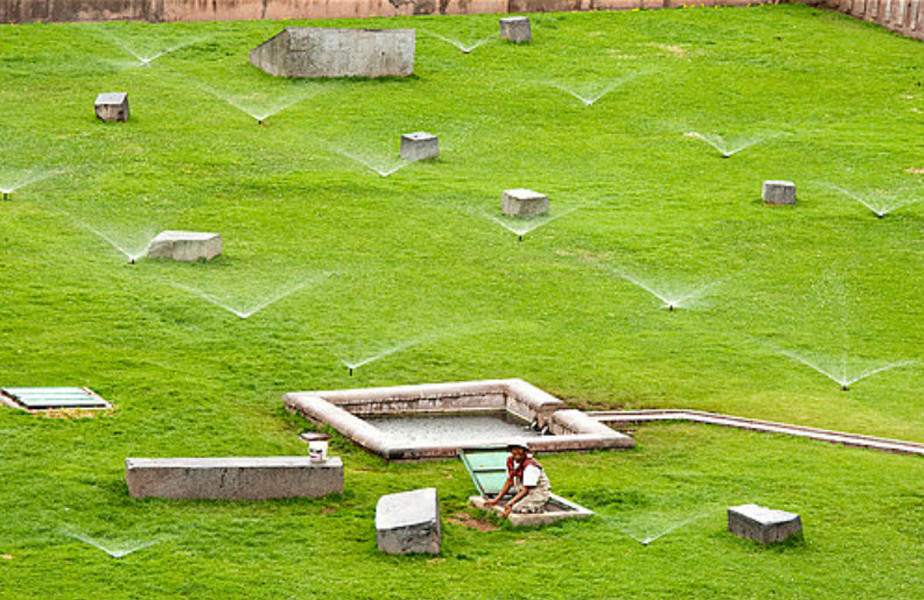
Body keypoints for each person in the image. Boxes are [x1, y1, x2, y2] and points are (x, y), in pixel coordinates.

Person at [484, 442, 551, 517]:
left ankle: (538, 509)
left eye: (519, 450)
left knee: (516, 509)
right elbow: (509, 481)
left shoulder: (530, 466)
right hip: (523, 491)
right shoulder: (512, 462)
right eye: (514, 449)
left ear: (525, 451)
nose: (517, 452)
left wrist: (510, 504)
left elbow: (526, 490)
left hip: (538, 492)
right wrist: (496, 500)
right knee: (513, 505)